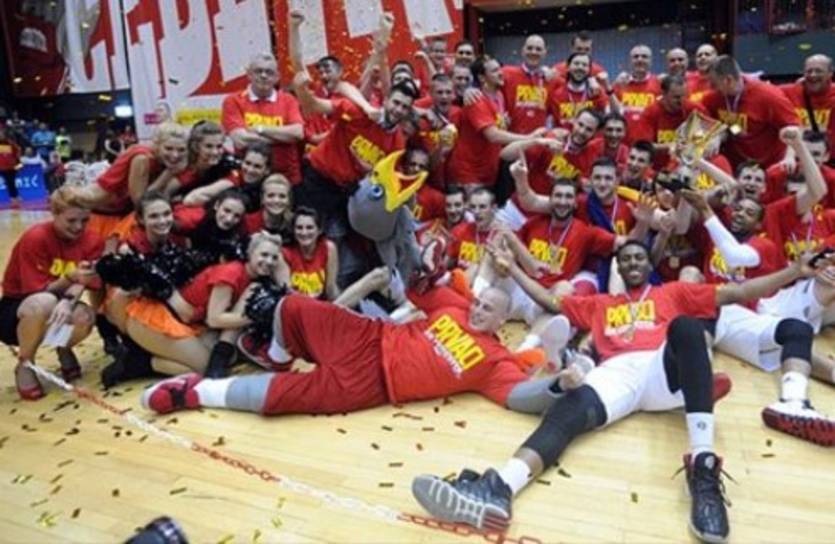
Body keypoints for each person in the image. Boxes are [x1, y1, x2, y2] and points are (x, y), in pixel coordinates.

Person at [411, 240, 813, 543]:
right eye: (626, 259)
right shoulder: (600, 303)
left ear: (649, 266)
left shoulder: (672, 292)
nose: (633, 263)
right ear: (618, 267)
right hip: (616, 373)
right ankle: (499, 487)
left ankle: (703, 467)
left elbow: (740, 293)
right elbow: (548, 298)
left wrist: (794, 270)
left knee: (688, 328)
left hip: (658, 368)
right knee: (569, 407)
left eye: (639, 258)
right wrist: (513, 267)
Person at [141, 280, 564, 422]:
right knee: (294, 305)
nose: (477, 309)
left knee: (286, 399)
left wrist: (560, 384)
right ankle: (279, 355)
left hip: (374, 382)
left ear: (502, 320)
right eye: (478, 302)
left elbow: (520, 397)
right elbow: (412, 279)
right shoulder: (454, 305)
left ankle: (194, 393)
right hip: (369, 335)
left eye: (488, 309)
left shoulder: (494, 360)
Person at [121, 234, 281, 378]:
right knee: (203, 368)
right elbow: (215, 320)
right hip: (158, 319)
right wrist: (255, 317)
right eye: (264, 255)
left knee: (230, 358)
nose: (269, 261)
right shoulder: (232, 273)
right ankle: (142, 363)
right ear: (250, 254)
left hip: (188, 323)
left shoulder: (252, 280)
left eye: (274, 258)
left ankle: (158, 354)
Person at [0, 186, 102, 400]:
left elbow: (85, 281)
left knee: (85, 317)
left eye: (84, 220)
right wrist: (70, 278)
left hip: (58, 300)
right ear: (54, 213)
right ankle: (26, 363)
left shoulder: (93, 240)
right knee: (44, 302)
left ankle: (62, 347)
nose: (79, 227)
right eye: (71, 220)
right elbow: (36, 291)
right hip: (18, 309)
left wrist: (68, 300)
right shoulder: (35, 237)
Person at [446, 56, 538, 187]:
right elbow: (493, 136)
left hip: (488, 171)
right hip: (468, 173)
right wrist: (530, 138)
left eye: (500, 69)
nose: (501, 73)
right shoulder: (476, 100)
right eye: (495, 71)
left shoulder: (500, 95)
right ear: (482, 78)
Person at [702, 55, 800, 168]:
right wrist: (716, 136)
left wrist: (789, 157)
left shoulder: (769, 95)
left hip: (770, 164)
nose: (710, 88)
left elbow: (794, 127)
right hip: (736, 166)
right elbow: (709, 123)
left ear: (728, 80)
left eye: (714, 84)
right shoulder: (712, 98)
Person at [221, 52, 304, 184]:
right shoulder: (232, 101)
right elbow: (240, 140)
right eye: (258, 71)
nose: (264, 75)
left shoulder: (289, 100)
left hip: (286, 179)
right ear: (249, 74)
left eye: (269, 72)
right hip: (248, 177)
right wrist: (283, 138)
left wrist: (259, 129)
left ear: (277, 77)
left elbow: (298, 133)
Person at [779, 54, 835, 153]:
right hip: (797, 157)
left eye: (818, 71)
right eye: (809, 71)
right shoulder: (786, 92)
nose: (813, 75)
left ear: (830, 73)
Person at [500, 35, 552, 134]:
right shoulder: (506, 73)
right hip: (510, 138)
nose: (533, 52)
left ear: (545, 53)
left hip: (539, 139)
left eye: (538, 49)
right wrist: (471, 90)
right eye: (530, 48)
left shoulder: (551, 80)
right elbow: (485, 85)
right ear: (523, 51)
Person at [548, 53, 610, 130]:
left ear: (589, 70)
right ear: (568, 67)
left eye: (584, 65)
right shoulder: (556, 94)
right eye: (576, 63)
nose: (580, 67)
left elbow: (609, 114)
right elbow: (548, 119)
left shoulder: (596, 92)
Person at [613, 45, 661, 138]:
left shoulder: (659, 84)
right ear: (630, 61)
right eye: (636, 57)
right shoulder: (619, 84)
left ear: (651, 61)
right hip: (623, 141)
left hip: (650, 142)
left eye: (644, 56)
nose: (640, 59)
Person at [0, 124, 22, 208]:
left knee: (11, 182)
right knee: (9, 182)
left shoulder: (10, 143)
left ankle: (14, 198)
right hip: (2, 167)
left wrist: (17, 161)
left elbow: (18, 150)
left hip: (11, 167)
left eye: (1, 134)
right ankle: (14, 197)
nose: (0, 135)